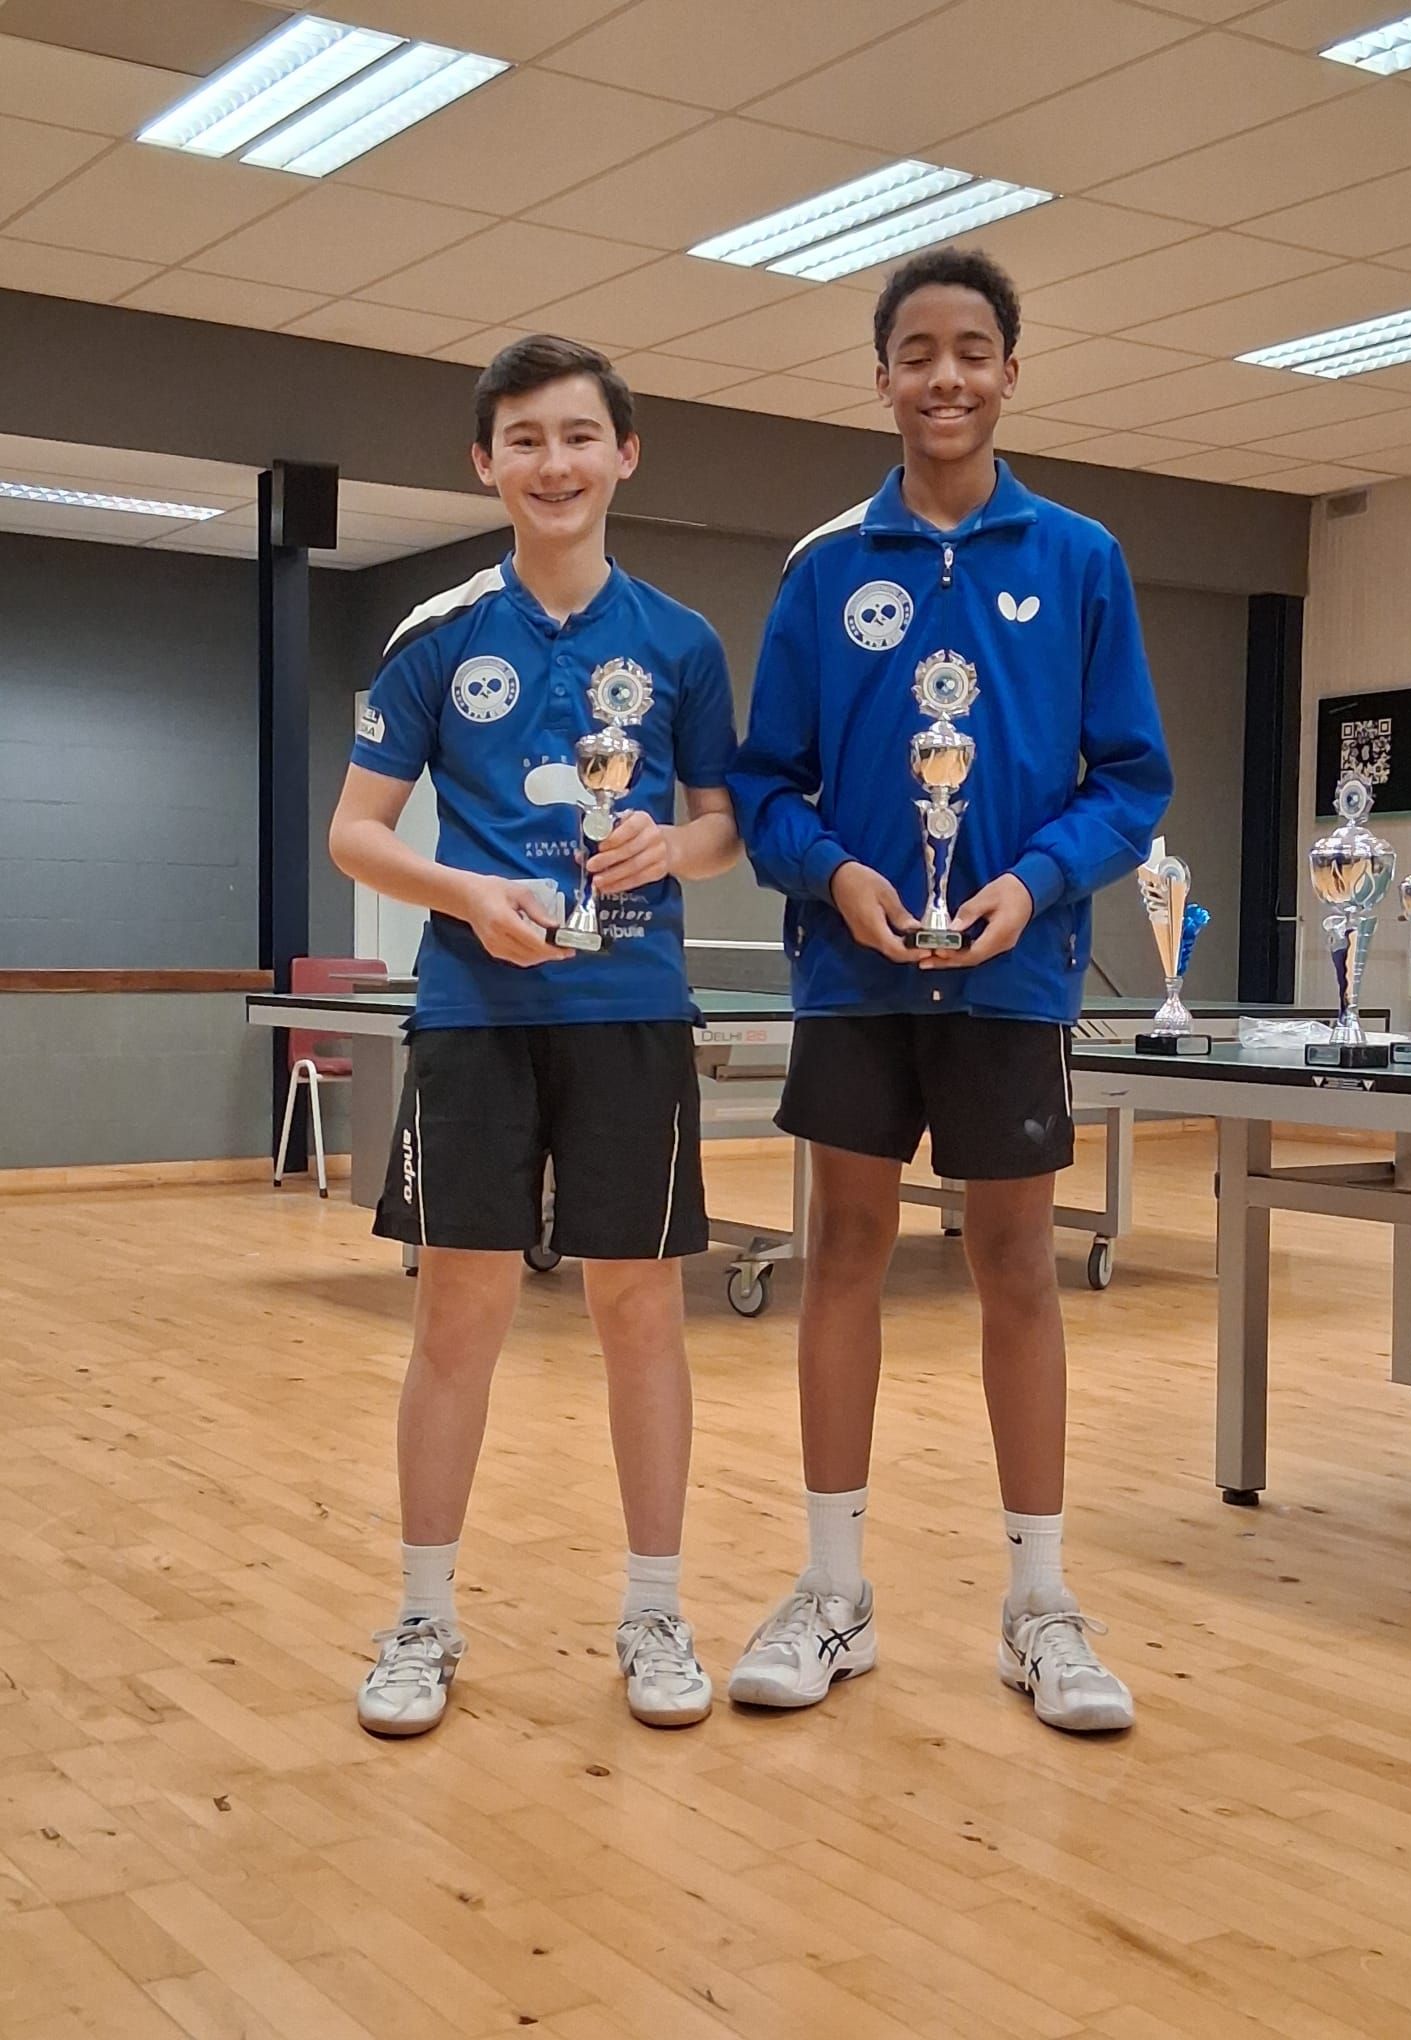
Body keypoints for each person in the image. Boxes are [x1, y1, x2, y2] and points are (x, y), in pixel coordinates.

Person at [726, 249, 1172, 1733]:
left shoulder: (1081, 559)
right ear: (880, 378)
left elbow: (1129, 783)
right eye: (916, 352)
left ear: (1009, 372)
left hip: (1014, 980)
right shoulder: (822, 569)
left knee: (1016, 1265)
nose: (944, 377)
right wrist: (837, 875)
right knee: (844, 1253)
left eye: (972, 350)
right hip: (853, 978)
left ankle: (1040, 1607)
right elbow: (765, 787)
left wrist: (1031, 884)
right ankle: (832, 1592)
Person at [329, 335, 739, 1737]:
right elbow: (356, 833)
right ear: (484, 463)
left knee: (642, 1312)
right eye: (524, 439)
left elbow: (723, 827)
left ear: (624, 454)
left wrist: (668, 848)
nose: (552, 463)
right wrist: (467, 895)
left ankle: (655, 1612)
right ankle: (422, 1618)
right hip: (474, 1017)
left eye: (577, 436)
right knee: (459, 1314)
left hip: (631, 1012)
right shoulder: (437, 636)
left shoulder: (681, 642)